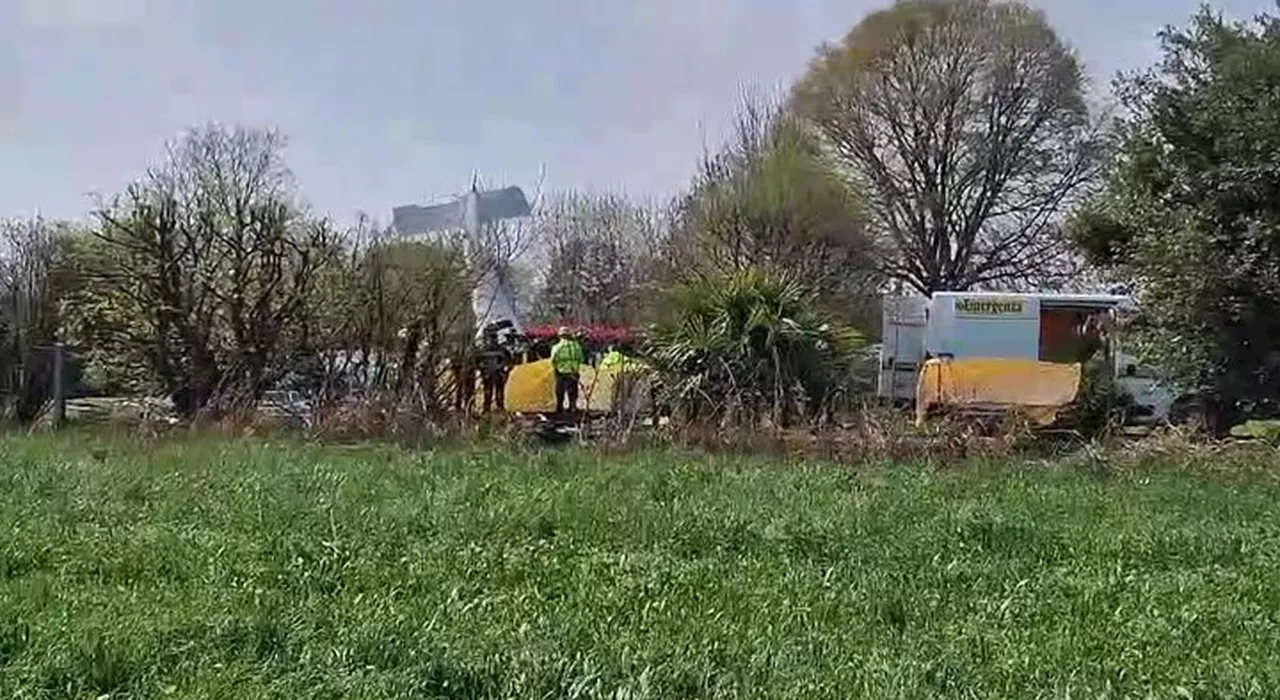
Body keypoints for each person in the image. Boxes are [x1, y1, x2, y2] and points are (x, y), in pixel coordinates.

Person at [550, 326, 585, 414]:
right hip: (573, 372)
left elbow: (552, 360)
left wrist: (556, 368)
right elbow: (581, 359)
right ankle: (572, 407)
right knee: (573, 391)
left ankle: (559, 408)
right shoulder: (576, 346)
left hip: (561, 372)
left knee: (560, 391)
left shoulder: (557, 347)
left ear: (560, 336)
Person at [477, 328, 511, 413]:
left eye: (493, 337)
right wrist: (483, 368)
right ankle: (486, 409)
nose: (492, 340)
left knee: (499, 394)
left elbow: (509, 361)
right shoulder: (482, 349)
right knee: (487, 393)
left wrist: (503, 369)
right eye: (490, 337)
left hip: (498, 374)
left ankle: (500, 408)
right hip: (487, 374)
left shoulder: (502, 349)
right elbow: (477, 362)